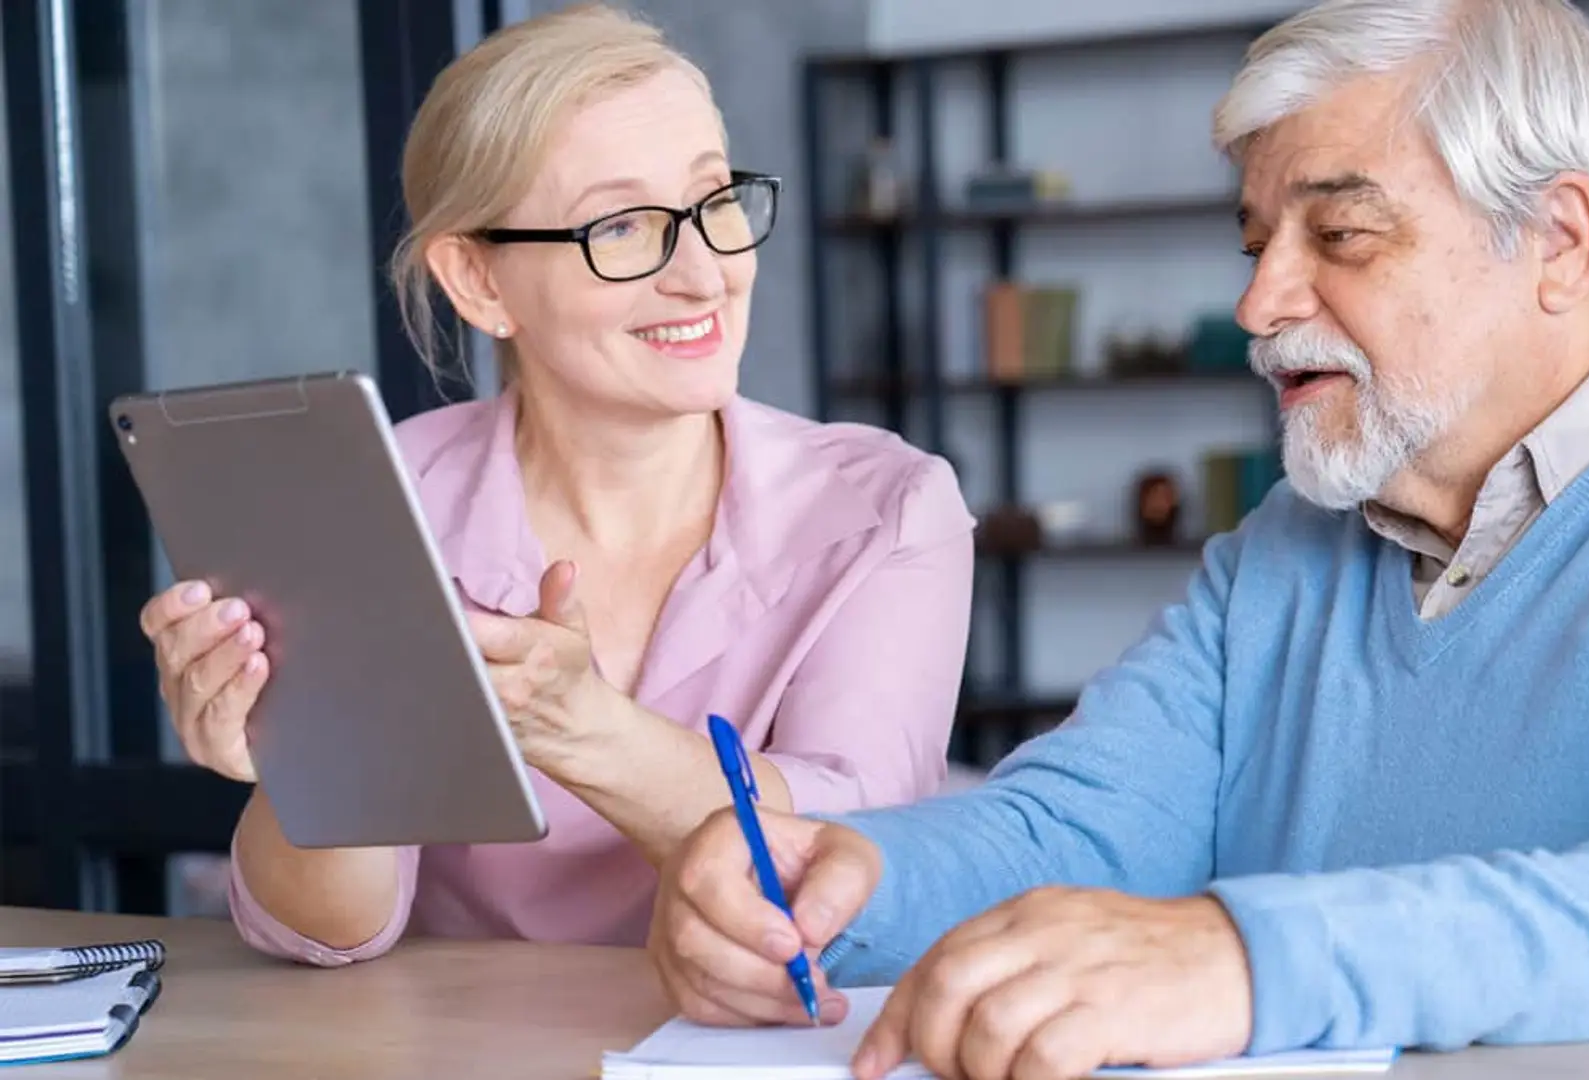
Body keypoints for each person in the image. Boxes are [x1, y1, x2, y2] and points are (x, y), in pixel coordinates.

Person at [649, 0, 1589, 1077]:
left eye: (1341, 235)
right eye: (1258, 244)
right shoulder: (1289, 546)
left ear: (1560, 241)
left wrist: (1254, 960)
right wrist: (844, 880)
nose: (1260, 302)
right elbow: (1081, 828)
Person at [136, 2, 975, 967]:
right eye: (620, 227)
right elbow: (331, 934)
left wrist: (586, 731)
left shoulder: (886, 511)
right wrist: (308, 767)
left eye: (714, 201)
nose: (704, 274)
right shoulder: (380, 505)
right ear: (479, 282)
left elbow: (854, 880)